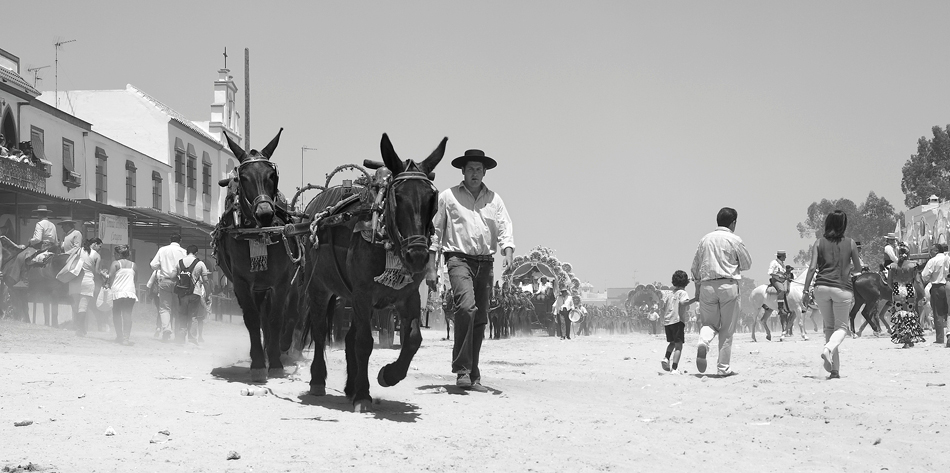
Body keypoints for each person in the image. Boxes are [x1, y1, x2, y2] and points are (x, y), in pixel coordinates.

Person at [428, 148, 514, 393]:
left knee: (480, 318)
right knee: (466, 308)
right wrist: (431, 268)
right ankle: (462, 370)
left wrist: (508, 251)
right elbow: (435, 231)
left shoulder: (495, 200)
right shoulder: (448, 197)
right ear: (463, 172)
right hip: (458, 260)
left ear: (485, 172)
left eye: (479, 169)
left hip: (486, 263)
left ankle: (473, 375)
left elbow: (505, 226)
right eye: (470, 169)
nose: (475, 173)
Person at [690, 207, 752, 377]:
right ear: (733, 223)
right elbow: (747, 264)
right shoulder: (735, 239)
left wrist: (697, 287)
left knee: (709, 324)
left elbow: (694, 268)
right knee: (726, 329)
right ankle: (723, 368)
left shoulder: (705, 240)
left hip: (707, 286)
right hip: (728, 285)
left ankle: (703, 342)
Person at [802, 210, 862, 379]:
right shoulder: (850, 243)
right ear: (843, 225)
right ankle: (828, 349)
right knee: (842, 328)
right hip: (842, 289)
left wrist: (805, 291)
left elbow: (812, 268)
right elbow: (858, 268)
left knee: (829, 327)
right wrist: (847, 270)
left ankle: (834, 370)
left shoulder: (819, 242)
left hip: (821, 287)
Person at [150, 234, 187, 342]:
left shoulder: (162, 250)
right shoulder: (183, 252)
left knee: (164, 308)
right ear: (180, 241)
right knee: (178, 309)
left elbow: (153, 265)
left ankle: (166, 329)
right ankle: (178, 334)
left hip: (165, 281)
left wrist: (162, 266)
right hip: (178, 282)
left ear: (170, 240)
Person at [171, 244, 210, 345]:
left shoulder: (179, 262)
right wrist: (207, 294)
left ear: (186, 252)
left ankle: (181, 339)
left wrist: (179, 281)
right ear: (196, 253)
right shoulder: (200, 263)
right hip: (195, 293)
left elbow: (172, 276)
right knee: (193, 316)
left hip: (182, 293)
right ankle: (192, 339)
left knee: (182, 315)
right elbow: (206, 280)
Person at [660, 270, 697, 374]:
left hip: (668, 322)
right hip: (677, 321)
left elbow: (663, 307)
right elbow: (683, 303)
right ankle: (674, 368)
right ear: (685, 283)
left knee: (672, 343)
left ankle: (666, 358)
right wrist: (695, 299)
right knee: (678, 346)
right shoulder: (683, 293)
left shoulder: (669, 294)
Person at [888, 245, 925, 348]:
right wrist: (922, 293)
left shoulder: (892, 266)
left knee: (900, 314)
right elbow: (917, 281)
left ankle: (905, 339)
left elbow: (889, 282)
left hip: (897, 289)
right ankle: (909, 338)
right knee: (910, 313)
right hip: (909, 288)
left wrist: (895, 289)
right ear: (908, 254)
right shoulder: (913, 265)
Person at [69, 238, 104, 337]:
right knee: (83, 306)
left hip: (75, 280)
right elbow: (96, 272)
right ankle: (80, 329)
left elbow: (68, 261)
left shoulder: (79, 250)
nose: (100, 249)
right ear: (95, 244)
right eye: (100, 246)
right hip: (87, 281)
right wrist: (103, 274)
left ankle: (80, 327)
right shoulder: (96, 255)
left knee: (76, 305)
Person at [107, 245, 138, 345]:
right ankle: (126, 339)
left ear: (118, 254)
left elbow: (110, 277)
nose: (114, 256)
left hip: (118, 292)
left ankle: (119, 336)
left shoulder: (116, 263)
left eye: (114, 254)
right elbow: (135, 280)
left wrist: (103, 276)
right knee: (127, 315)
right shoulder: (134, 265)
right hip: (130, 292)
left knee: (116, 314)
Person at [921, 243, 950, 346]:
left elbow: (924, 275)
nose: (930, 252)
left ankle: (940, 338)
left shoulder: (932, 261)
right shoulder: (948, 258)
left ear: (937, 250)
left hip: (937, 287)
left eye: (932, 250)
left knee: (938, 313)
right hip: (948, 285)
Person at [768, 251, 790, 316]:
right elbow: (770, 272)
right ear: (781, 257)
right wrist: (778, 275)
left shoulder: (782, 264)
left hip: (783, 280)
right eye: (784, 256)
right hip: (776, 280)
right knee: (781, 290)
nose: (785, 257)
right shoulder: (773, 262)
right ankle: (780, 308)